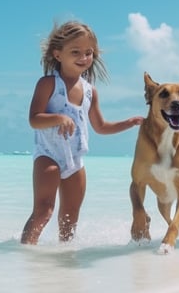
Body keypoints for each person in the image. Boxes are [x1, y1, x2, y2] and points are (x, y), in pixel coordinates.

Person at [20, 21, 143, 245]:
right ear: (58, 54)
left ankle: (65, 257)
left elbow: (101, 127)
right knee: (44, 211)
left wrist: (128, 123)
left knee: (70, 219)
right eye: (75, 52)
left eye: (88, 52)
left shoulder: (89, 91)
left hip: (76, 162)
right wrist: (59, 118)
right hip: (48, 155)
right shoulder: (48, 84)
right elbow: (34, 119)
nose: (84, 58)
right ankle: (26, 253)